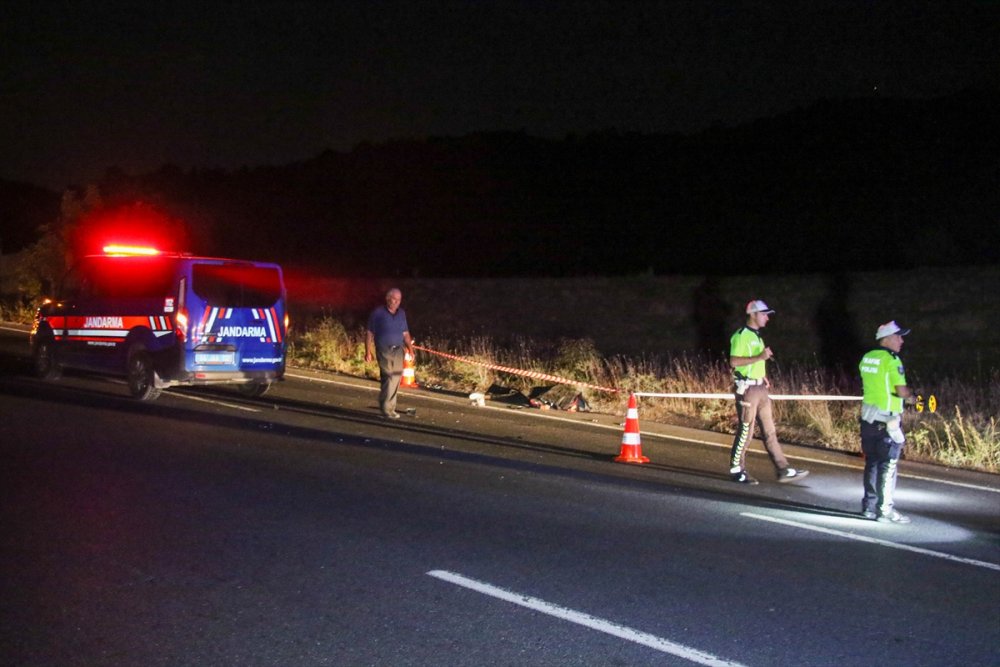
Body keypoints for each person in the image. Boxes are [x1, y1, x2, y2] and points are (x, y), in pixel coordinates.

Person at [728, 299, 809, 484]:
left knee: (769, 431)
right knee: (745, 431)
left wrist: (762, 374)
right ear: (753, 314)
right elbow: (734, 362)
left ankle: (784, 469)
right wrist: (760, 356)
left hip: (760, 388)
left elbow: (755, 362)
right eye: (764, 314)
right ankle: (736, 469)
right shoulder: (741, 336)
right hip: (747, 389)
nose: (767, 318)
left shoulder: (757, 336)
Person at [858, 321, 914, 523]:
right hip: (887, 420)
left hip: (868, 419)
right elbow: (901, 391)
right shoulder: (892, 360)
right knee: (888, 465)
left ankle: (869, 507)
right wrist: (913, 397)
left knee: (871, 463)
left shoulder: (867, 358)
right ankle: (885, 510)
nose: (901, 340)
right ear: (887, 338)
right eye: (898, 336)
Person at [365, 287, 415, 419]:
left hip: (398, 350)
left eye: (398, 300)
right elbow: (370, 332)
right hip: (384, 349)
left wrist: (410, 349)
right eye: (394, 299)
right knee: (389, 377)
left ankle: (390, 407)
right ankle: (386, 409)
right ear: (388, 299)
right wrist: (368, 351)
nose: (396, 302)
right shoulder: (378, 313)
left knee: (396, 378)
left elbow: (405, 333)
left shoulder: (401, 314)